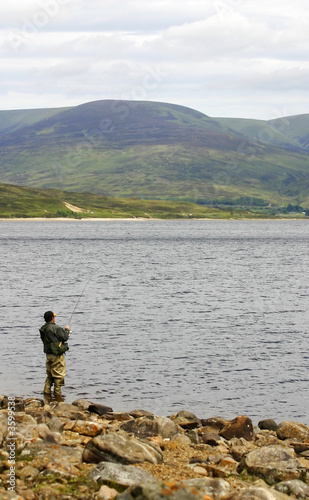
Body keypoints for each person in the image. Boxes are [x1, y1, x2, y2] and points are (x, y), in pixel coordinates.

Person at [39, 311, 70, 399]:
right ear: (52, 318)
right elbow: (65, 337)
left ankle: (47, 395)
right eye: (54, 317)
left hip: (48, 355)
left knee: (49, 376)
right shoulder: (55, 328)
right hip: (56, 355)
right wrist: (67, 330)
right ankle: (58, 397)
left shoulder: (43, 329)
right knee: (58, 376)